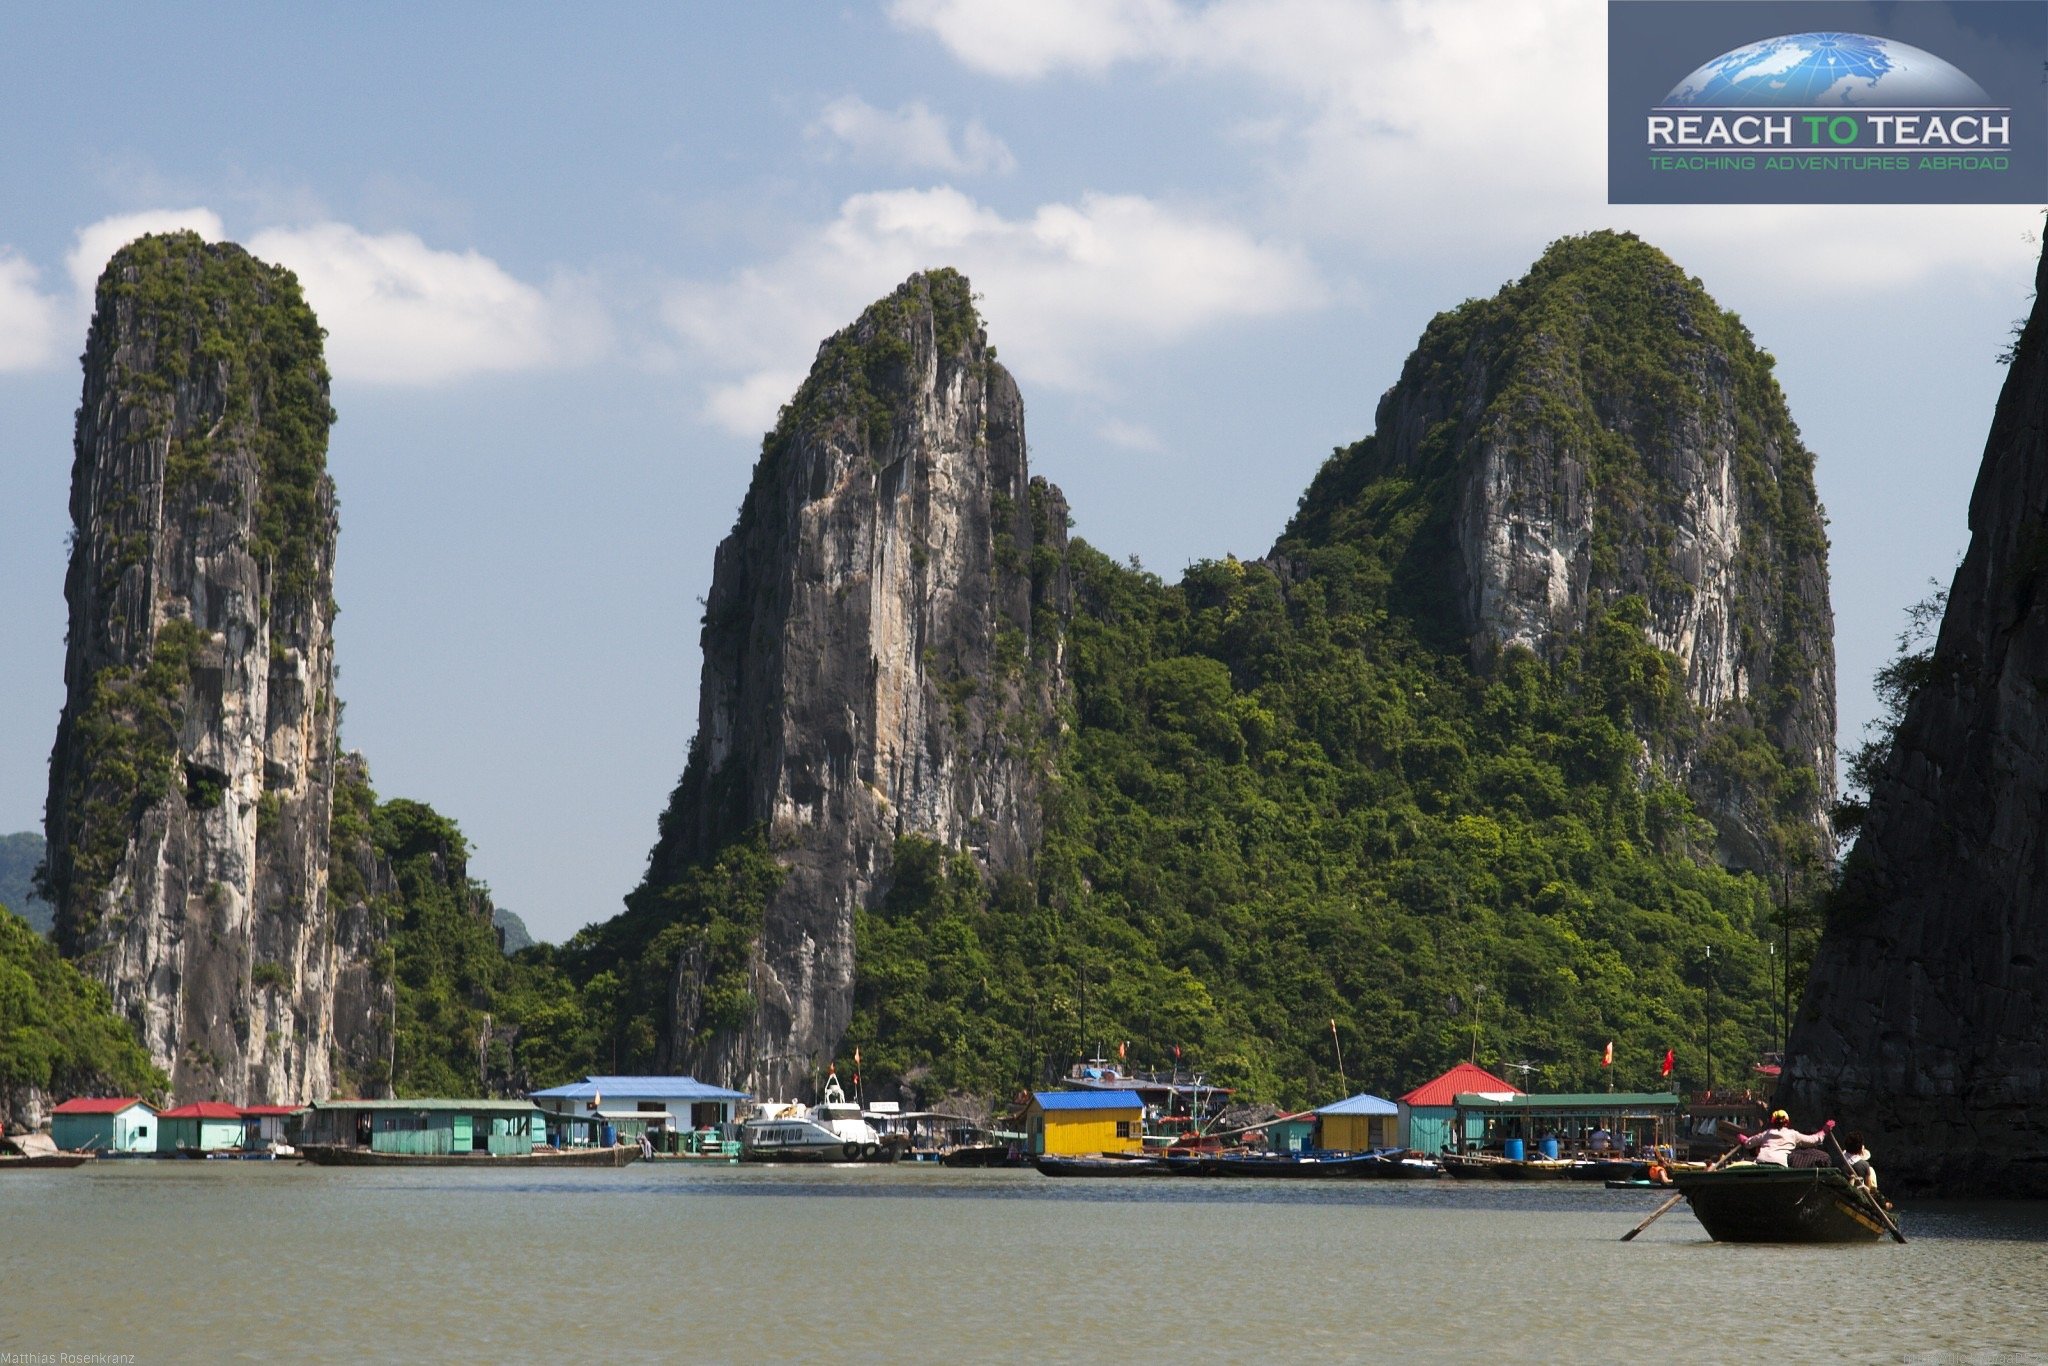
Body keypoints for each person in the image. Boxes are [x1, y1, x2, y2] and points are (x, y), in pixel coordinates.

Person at [1740, 1109, 1831, 1168]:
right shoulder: (1793, 1134)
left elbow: (1748, 1144)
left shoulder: (1766, 1133)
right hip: (1779, 1164)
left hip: (1761, 1162)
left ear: (1772, 1122)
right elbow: (1813, 1140)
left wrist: (1743, 1139)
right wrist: (1824, 1131)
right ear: (1787, 1122)